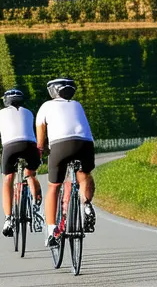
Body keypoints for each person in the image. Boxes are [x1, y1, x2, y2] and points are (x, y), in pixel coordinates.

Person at [36, 76, 97, 246]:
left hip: (60, 146)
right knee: (84, 174)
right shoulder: (77, 105)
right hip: (85, 144)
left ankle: (51, 231)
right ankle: (86, 205)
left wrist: (41, 150)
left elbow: (40, 137)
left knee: (54, 187)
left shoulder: (46, 106)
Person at [0, 88, 44, 237]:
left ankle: (8, 218)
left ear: (6, 101)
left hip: (10, 147)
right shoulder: (28, 112)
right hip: (29, 145)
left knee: (8, 179)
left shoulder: (0, 114)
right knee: (30, 175)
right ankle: (36, 209)